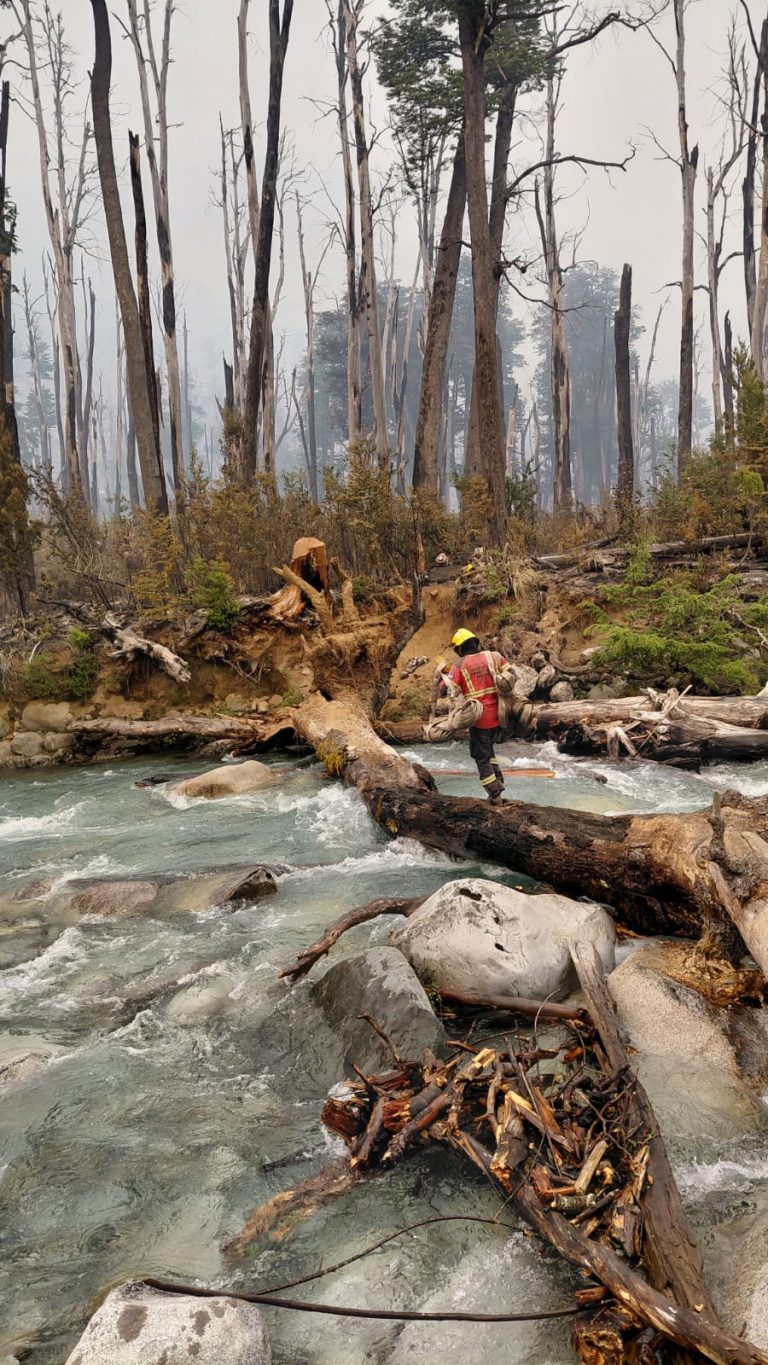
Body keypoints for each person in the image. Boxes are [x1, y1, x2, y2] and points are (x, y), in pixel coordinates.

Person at [446, 628, 511, 804]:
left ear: (459, 648)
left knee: (480, 758)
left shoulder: (458, 665)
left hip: (479, 720)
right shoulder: (495, 656)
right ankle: (499, 784)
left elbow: (449, 691)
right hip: (499, 717)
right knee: (489, 751)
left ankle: (494, 795)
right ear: (476, 642)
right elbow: (512, 675)